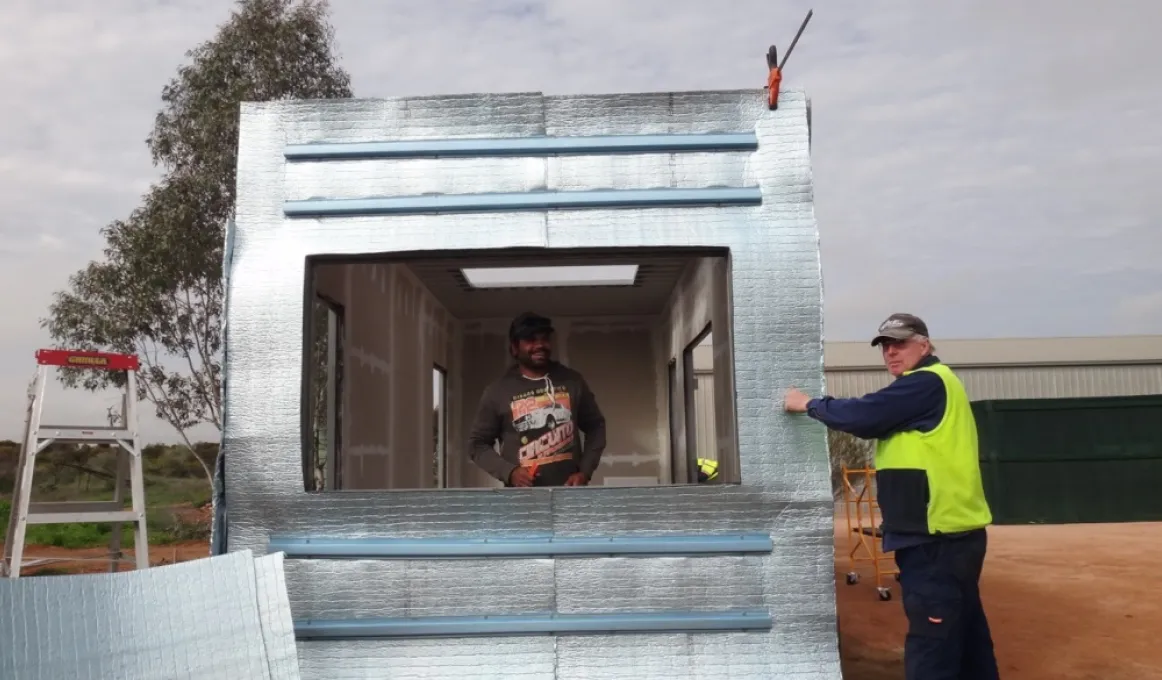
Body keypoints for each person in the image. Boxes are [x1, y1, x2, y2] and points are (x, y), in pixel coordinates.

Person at [783, 313, 1000, 680]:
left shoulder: (925, 383)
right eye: (885, 346)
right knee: (964, 632)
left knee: (932, 642)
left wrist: (808, 404)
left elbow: (866, 415)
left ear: (924, 345)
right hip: (953, 533)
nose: (891, 353)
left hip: (935, 538)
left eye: (900, 344)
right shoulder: (933, 385)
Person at [467, 312, 607, 487]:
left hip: (569, 496)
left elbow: (596, 427)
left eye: (545, 339)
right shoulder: (497, 391)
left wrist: (584, 472)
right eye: (531, 340)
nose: (540, 345)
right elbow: (477, 445)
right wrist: (509, 472)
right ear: (514, 348)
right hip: (521, 502)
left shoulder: (572, 381)